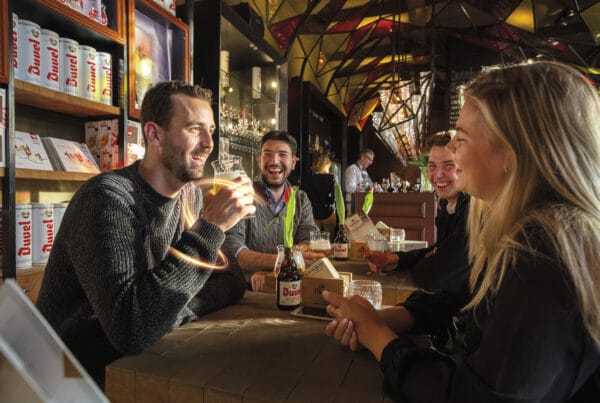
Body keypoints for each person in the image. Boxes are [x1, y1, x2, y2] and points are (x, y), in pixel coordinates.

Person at [323, 61, 600, 401]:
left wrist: (377, 336)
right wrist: (385, 318)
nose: (453, 151)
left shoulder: (542, 250)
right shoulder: (517, 230)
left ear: (512, 151)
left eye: (461, 138)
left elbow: (472, 397)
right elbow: (463, 298)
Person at [36, 81, 256, 388]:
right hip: (72, 378)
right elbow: (132, 330)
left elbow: (232, 281)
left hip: (140, 362)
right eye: (194, 129)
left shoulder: (190, 196)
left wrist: (165, 314)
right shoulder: (107, 199)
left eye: (211, 131)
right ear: (154, 134)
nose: (208, 143)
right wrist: (212, 227)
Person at [369, 131, 470, 292]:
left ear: (464, 166)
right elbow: (440, 249)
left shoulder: (471, 211)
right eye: (432, 166)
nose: (438, 175)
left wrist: (429, 261)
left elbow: (434, 276)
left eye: (448, 165)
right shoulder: (448, 205)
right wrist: (396, 259)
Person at [223, 130, 321, 292]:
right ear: (259, 160)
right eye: (267, 154)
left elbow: (309, 240)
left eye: (282, 154)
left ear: (293, 162)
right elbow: (233, 250)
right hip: (245, 291)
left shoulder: (301, 199)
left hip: (290, 286)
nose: (274, 161)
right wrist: (283, 261)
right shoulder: (242, 195)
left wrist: (274, 270)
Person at [303, 153, 337, 237]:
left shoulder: (310, 179)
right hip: (328, 213)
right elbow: (334, 197)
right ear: (327, 164)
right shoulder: (331, 178)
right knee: (329, 239)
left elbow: (307, 196)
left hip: (314, 213)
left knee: (315, 239)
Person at [344, 148, 374, 214]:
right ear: (362, 156)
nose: (370, 162)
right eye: (369, 159)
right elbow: (349, 187)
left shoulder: (364, 171)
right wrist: (365, 188)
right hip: (354, 202)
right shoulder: (352, 169)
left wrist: (374, 186)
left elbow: (369, 185)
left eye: (371, 160)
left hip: (363, 203)